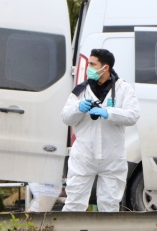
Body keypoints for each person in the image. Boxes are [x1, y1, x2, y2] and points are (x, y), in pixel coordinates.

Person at [60, 49, 140, 212]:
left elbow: (133, 116)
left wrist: (108, 112)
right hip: (84, 155)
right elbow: (66, 118)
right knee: (74, 202)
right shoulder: (81, 90)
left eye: (92, 64)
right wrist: (78, 108)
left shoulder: (124, 89)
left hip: (112, 156)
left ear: (105, 67)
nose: (88, 67)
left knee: (110, 205)